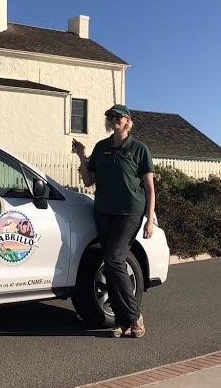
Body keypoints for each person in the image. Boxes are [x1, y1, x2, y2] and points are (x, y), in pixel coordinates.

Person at [73, 104, 155, 338]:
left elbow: (149, 187)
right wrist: (82, 156)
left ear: (128, 121)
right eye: (110, 116)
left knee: (115, 259)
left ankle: (134, 316)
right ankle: (122, 321)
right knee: (110, 265)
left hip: (130, 212)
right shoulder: (102, 147)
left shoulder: (139, 149)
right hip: (104, 212)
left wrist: (149, 219)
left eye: (118, 116)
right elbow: (89, 181)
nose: (113, 120)